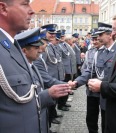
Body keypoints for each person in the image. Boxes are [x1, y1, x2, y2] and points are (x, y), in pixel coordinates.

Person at [0, 1, 70, 132]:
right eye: (25, 4)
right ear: (3, 8)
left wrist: (48, 94)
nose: (32, 11)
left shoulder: (13, 46)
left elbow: (23, 102)